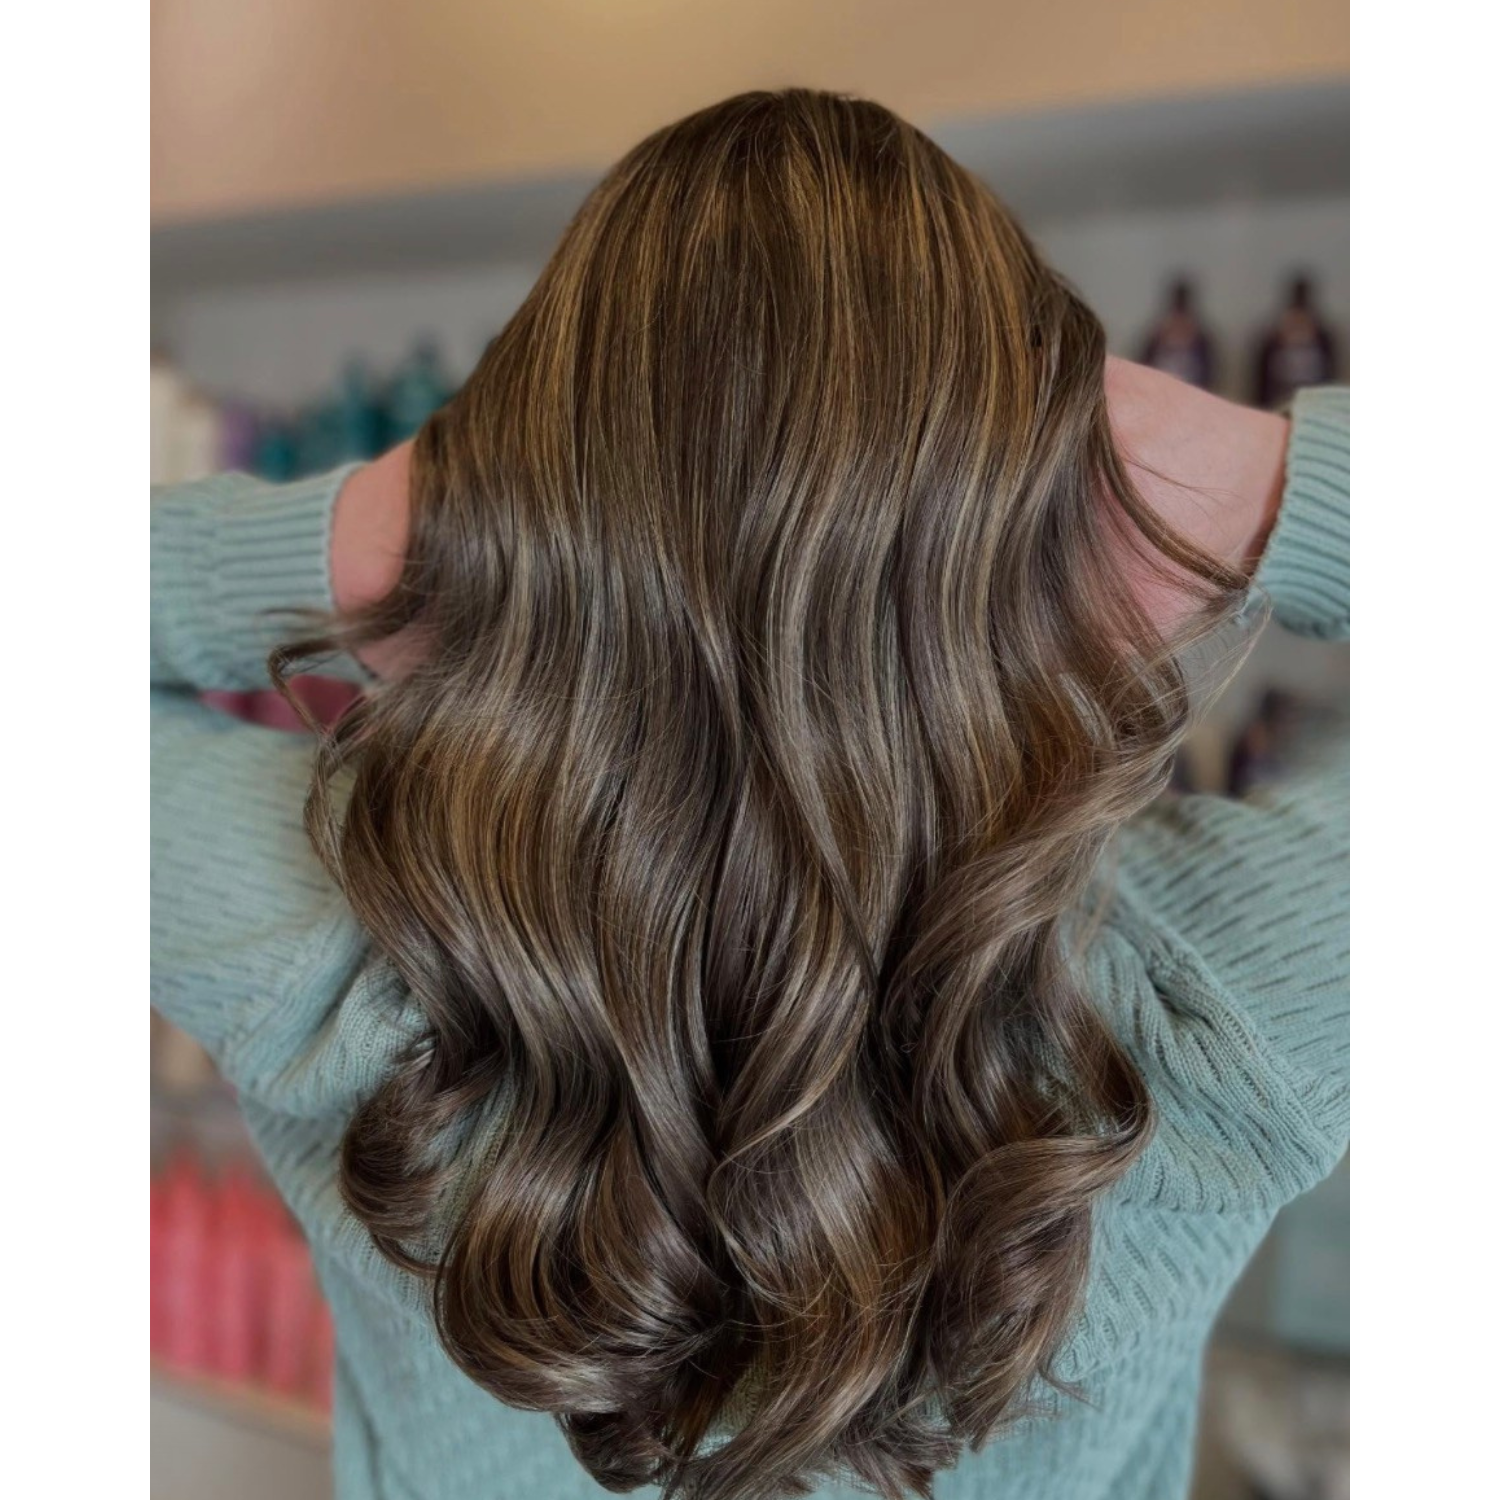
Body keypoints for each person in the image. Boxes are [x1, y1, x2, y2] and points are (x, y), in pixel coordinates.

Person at [151, 90, 1348, 1500]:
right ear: (1025, 512)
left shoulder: (352, 926)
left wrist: (366, 537)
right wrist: (1268, 485)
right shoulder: (1226, 985)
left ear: (536, 512)